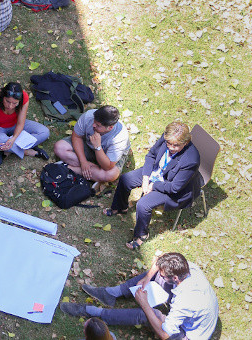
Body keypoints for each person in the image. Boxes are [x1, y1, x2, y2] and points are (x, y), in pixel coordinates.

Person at [61, 252, 219, 340]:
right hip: (193, 312)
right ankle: (111, 294)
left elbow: (165, 334)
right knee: (155, 275)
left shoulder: (186, 301)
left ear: (175, 279)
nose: (160, 276)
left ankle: (96, 313)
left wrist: (145, 304)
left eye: (165, 276)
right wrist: (147, 277)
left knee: (150, 314)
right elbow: (160, 261)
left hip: (188, 336)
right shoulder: (187, 267)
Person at [106, 121, 200, 250]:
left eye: (176, 145)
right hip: (158, 172)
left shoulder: (191, 160)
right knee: (126, 179)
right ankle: (120, 207)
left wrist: (153, 186)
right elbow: (151, 155)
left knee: (143, 205)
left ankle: (141, 235)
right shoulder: (167, 138)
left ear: (186, 142)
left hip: (171, 187)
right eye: (169, 143)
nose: (171, 147)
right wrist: (145, 179)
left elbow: (175, 187)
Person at [53, 105, 130, 187]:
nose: (93, 125)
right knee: (59, 147)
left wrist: (98, 147)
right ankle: (95, 174)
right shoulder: (89, 115)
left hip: (106, 157)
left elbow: (107, 166)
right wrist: (83, 162)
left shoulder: (120, 138)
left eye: (98, 125)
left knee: (111, 174)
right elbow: (76, 136)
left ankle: (67, 168)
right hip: (88, 144)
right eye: (94, 121)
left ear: (110, 127)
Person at [0, 81, 50, 165]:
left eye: (15, 103)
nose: (10, 106)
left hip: (15, 123)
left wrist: (14, 138)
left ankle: (7, 151)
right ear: (2, 96)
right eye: (7, 101)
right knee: (1, 142)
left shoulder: (24, 97)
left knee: (44, 132)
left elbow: (20, 123)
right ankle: (28, 151)